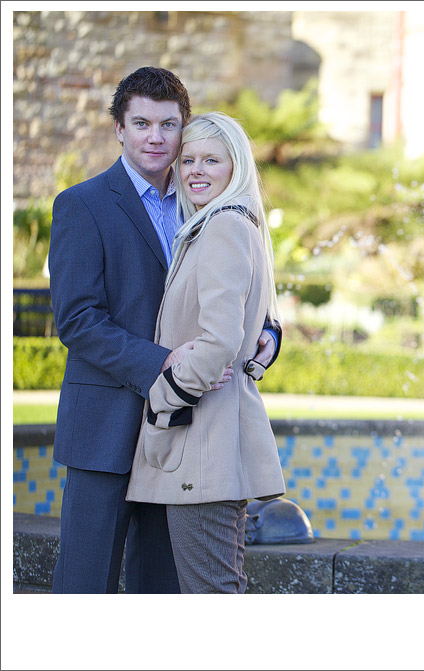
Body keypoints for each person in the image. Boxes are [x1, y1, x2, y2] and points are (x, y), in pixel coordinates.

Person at [48, 67, 281, 594]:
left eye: (169, 125)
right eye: (142, 123)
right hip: (107, 424)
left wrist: (268, 330)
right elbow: (79, 320)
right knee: (86, 587)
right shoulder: (81, 205)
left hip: (184, 430)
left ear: (185, 130)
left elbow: (233, 284)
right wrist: (165, 362)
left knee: (163, 590)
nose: (156, 136)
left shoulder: (203, 199)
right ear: (120, 130)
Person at [126, 112, 286, 594]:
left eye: (211, 160)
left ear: (234, 166)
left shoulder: (222, 227)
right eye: (189, 159)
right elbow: (245, 329)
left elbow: (217, 342)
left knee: (211, 596)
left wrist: (163, 396)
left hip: (203, 444)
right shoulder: (225, 224)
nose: (195, 169)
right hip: (208, 440)